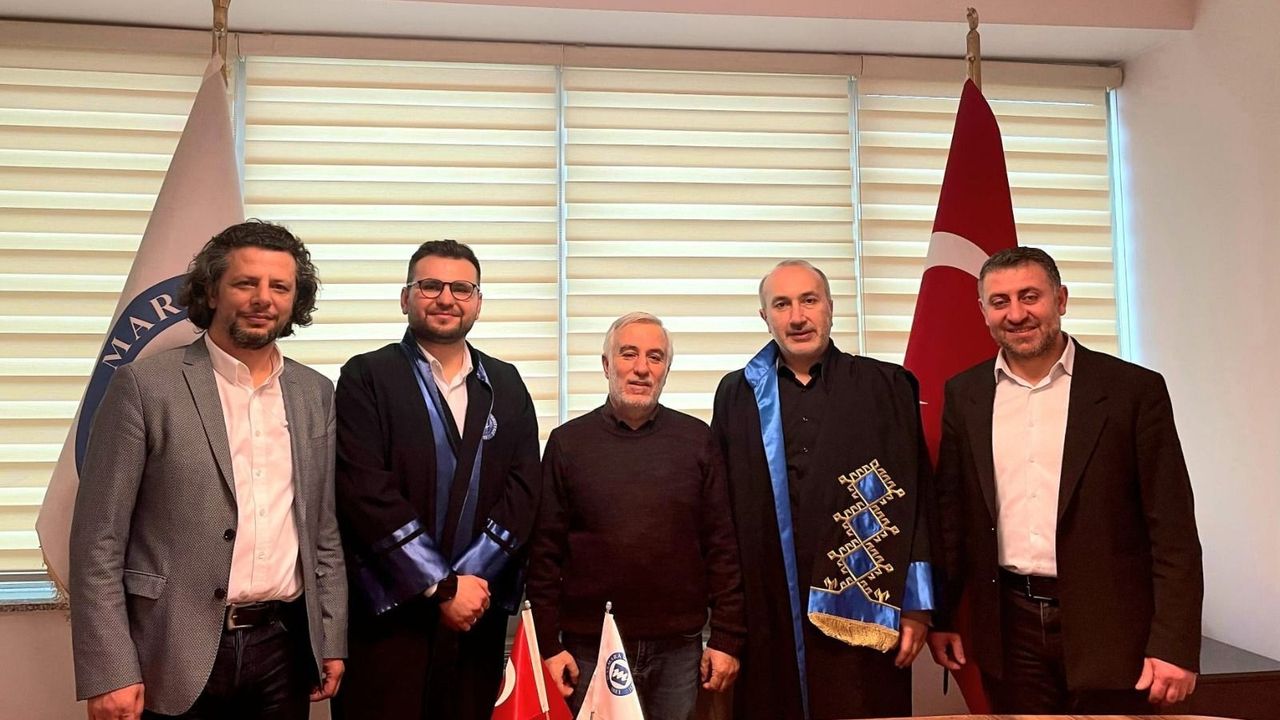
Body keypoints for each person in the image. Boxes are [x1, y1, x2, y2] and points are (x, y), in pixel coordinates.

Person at [70, 221, 347, 719]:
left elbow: (322, 530)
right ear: (212, 291)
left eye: (280, 287)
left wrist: (330, 636)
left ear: (295, 300)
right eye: (246, 283)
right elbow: (98, 541)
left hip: (283, 649)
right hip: (172, 650)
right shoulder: (145, 387)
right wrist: (110, 669)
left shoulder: (315, 393)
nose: (263, 299)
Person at [927, 246, 1203, 713]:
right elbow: (953, 519)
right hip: (1008, 629)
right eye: (1000, 301)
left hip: (1113, 627)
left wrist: (1175, 645)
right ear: (983, 311)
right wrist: (943, 616)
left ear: (1061, 299)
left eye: (1030, 296)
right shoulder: (965, 394)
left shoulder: (1133, 391)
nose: (1017, 314)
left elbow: (1172, 529)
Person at [711, 260, 935, 720]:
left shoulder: (885, 387)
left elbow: (918, 501)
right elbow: (721, 512)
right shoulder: (736, 394)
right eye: (782, 305)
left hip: (862, 600)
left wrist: (917, 606)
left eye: (809, 301)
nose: (797, 317)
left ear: (830, 307)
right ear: (765, 317)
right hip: (768, 604)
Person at [333, 239, 541, 719]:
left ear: (478, 302)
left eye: (462, 289)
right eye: (430, 286)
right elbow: (364, 492)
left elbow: (524, 489)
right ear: (405, 297)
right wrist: (442, 587)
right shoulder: (367, 376)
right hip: (389, 617)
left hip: (475, 618)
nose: (446, 298)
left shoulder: (506, 383)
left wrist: (468, 586)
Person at [527, 312, 746, 720]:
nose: (641, 368)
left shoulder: (697, 440)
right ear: (607, 365)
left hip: (678, 651)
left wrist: (727, 638)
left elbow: (722, 546)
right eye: (628, 354)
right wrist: (548, 645)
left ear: (666, 369)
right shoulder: (567, 444)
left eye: (655, 357)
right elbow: (543, 555)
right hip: (590, 649)